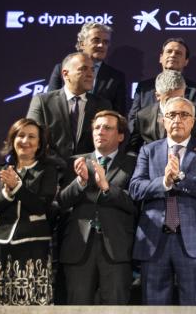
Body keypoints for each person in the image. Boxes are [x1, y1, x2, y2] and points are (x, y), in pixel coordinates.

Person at [130, 96, 196, 305]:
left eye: (184, 114)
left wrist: (180, 178)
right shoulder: (148, 150)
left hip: (193, 241)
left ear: (193, 121)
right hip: (154, 240)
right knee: (154, 306)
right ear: (163, 120)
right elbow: (135, 188)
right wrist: (164, 182)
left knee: (195, 304)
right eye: (172, 115)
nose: (177, 119)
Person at [0, 118, 58, 309]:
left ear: (39, 144)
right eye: (20, 135)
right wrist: (6, 194)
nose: (25, 140)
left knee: (29, 303)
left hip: (32, 249)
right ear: (12, 140)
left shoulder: (47, 171)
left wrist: (17, 187)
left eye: (31, 136)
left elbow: (41, 207)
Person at [57, 111, 136, 305]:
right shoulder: (75, 162)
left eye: (107, 128)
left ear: (120, 136)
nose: (100, 131)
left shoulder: (133, 163)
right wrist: (80, 182)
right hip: (78, 247)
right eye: (97, 127)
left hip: (116, 248)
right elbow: (61, 202)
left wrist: (107, 187)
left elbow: (135, 204)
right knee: (77, 306)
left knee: (116, 307)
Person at [28, 51, 113, 169]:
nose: (90, 74)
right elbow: (33, 138)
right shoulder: (42, 102)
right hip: (49, 172)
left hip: (87, 174)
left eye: (92, 70)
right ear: (65, 74)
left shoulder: (102, 105)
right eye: (83, 69)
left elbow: (106, 143)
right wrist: (63, 165)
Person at [129, 69, 196, 154]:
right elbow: (133, 148)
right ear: (157, 96)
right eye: (169, 100)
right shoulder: (143, 116)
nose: (175, 104)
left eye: (179, 98)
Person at [47, 21, 127, 115]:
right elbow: (50, 103)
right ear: (82, 44)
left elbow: (118, 114)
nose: (101, 45)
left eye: (105, 42)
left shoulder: (116, 77)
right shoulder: (62, 68)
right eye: (96, 40)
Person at [129, 37, 196, 131]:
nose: (173, 55)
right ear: (161, 58)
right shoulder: (144, 88)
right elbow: (133, 120)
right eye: (169, 51)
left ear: (186, 61)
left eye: (178, 53)